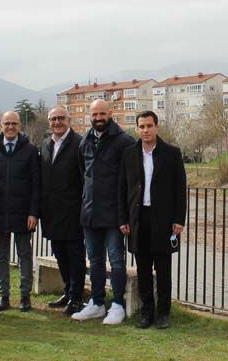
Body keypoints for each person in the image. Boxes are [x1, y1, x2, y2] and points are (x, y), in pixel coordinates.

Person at [118, 110, 186, 329]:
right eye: (142, 126)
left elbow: (179, 190)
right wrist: (123, 219)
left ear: (157, 127)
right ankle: (147, 312)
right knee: (143, 268)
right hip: (138, 219)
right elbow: (122, 189)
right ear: (137, 129)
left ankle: (163, 313)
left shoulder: (172, 153)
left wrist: (179, 219)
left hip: (164, 220)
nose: (145, 130)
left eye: (149, 126)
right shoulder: (129, 154)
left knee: (164, 268)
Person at [71, 99, 135, 325]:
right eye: (94, 114)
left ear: (111, 113)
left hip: (114, 214)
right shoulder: (85, 142)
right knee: (95, 260)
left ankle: (117, 304)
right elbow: (84, 174)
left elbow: (131, 180)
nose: (98, 118)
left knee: (117, 261)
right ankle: (97, 303)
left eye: (102, 113)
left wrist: (126, 215)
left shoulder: (125, 141)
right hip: (90, 212)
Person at [0, 111, 40, 312]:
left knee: (24, 255)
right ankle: (4, 296)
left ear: (19, 126)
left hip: (23, 212)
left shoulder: (30, 151)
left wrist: (33, 212)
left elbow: (36, 184)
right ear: (1, 125)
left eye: (14, 123)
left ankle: (25, 297)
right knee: (1, 256)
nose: (10, 127)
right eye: (6, 123)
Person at [38, 106, 85, 316]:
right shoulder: (46, 144)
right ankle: (67, 292)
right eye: (53, 119)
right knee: (60, 255)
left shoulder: (80, 143)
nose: (57, 122)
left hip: (73, 210)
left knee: (75, 255)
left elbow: (85, 177)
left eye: (60, 118)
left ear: (69, 120)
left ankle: (77, 297)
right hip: (51, 211)